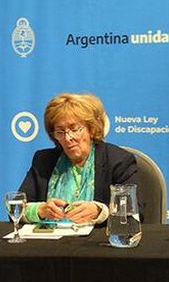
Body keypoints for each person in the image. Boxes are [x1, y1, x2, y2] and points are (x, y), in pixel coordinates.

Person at [19, 92, 142, 225]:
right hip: (48, 243)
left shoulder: (118, 160)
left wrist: (100, 211)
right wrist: (39, 210)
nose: (68, 138)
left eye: (75, 129)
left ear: (92, 129)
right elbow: (17, 209)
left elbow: (134, 212)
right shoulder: (43, 160)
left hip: (96, 242)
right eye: (60, 132)